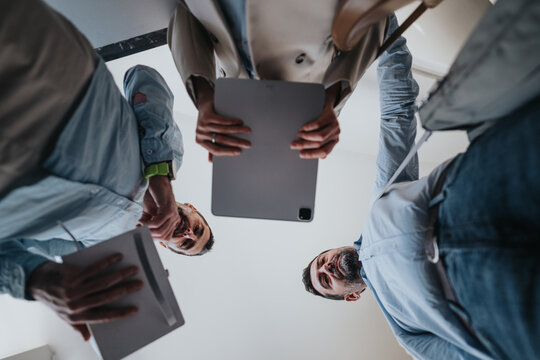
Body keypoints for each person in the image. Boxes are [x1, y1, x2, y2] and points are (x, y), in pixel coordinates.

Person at [301, 14, 540, 360]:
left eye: (321, 262)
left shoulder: (380, 205)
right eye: (326, 281)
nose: (327, 268)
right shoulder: (406, 332)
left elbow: (396, 116)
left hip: (477, 191)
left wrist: (381, 19)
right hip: (491, 297)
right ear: (349, 296)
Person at [0, 0, 214, 340]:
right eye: (197, 228)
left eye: (187, 244)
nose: (187, 234)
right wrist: (159, 172)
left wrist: (34, 281)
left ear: (166, 249)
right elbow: (143, 77)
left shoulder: (83, 253)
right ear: (192, 209)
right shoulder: (169, 159)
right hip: (46, 74)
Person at [167, 0, 389, 161]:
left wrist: (204, 95)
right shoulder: (318, 103)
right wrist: (331, 97)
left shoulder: (223, 93)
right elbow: (377, 15)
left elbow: (184, 12)